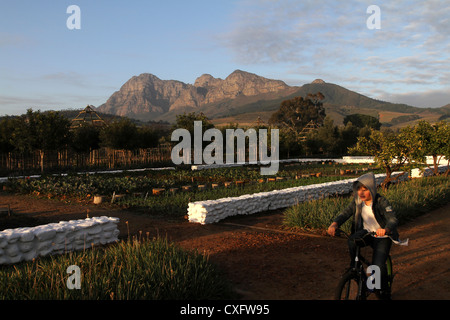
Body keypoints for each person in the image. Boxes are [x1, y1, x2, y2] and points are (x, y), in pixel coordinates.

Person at [327, 172, 399, 299]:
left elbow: (393, 219)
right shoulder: (358, 202)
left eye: (365, 189)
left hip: (382, 236)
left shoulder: (381, 201)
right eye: (359, 189)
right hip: (366, 233)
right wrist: (334, 224)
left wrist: (386, 229)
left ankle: (383, 291)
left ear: (371, 188)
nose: (361, 193)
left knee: (377, 266)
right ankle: (355, 267)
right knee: (351, 240)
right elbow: (345, 213)